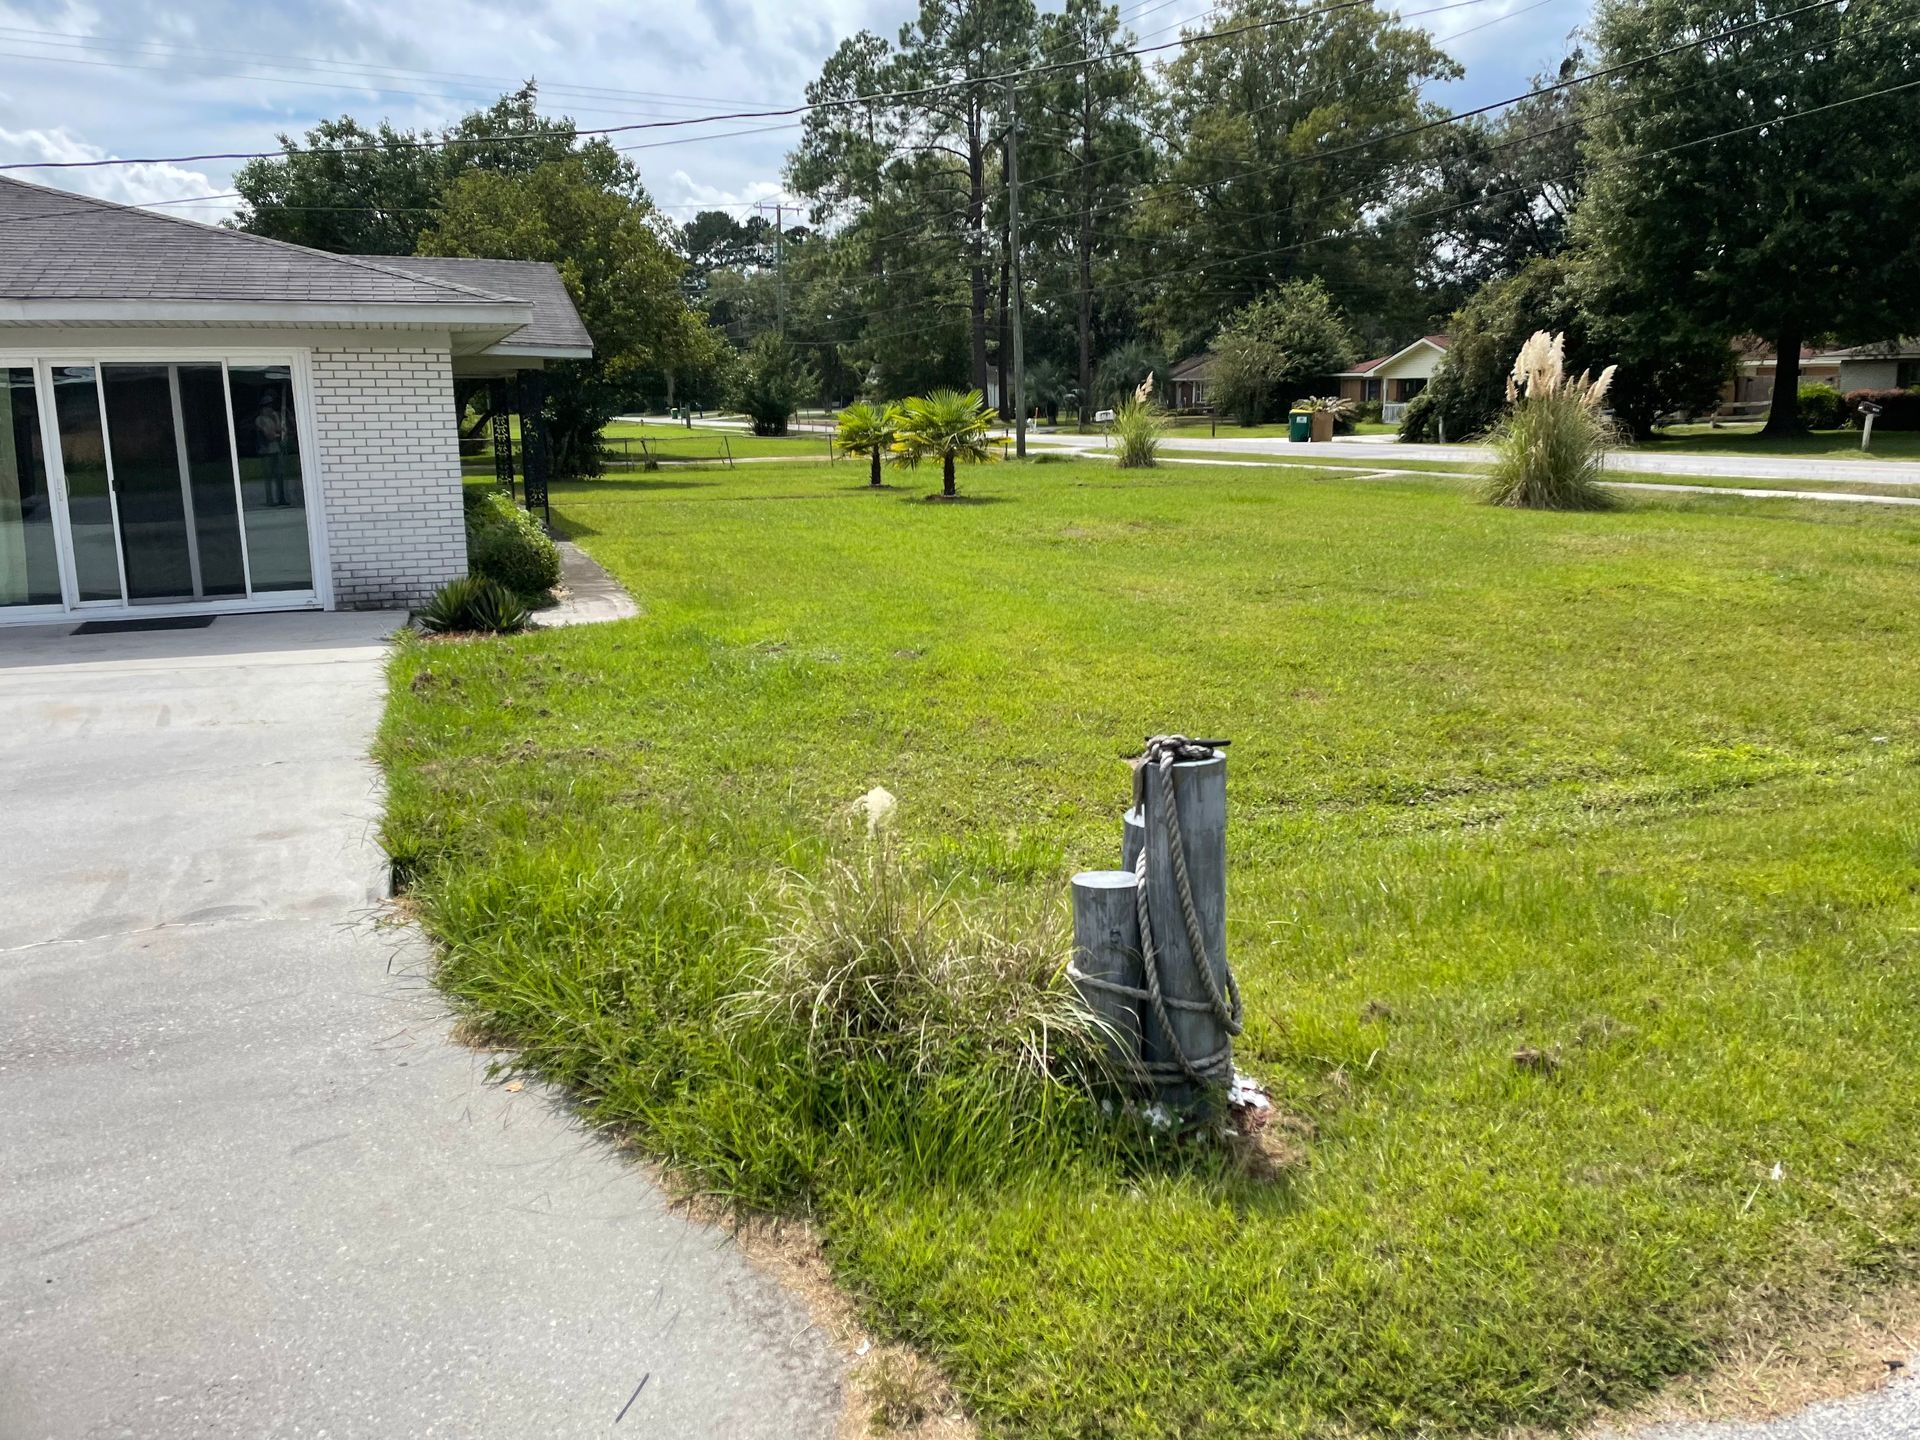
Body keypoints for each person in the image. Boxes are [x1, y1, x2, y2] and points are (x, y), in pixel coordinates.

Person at [256, 396, 288, 506]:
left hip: (276, 450)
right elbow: (269, 435)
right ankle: (270, 500)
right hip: (266, 451)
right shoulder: (260, 420)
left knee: (279, 475)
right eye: (267, 407)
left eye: (270, 406)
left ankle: (281, 498)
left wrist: (277, 418)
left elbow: (281, 431)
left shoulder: (273, 418)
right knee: (268, 476)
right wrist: (277, 435)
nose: (269, 409)